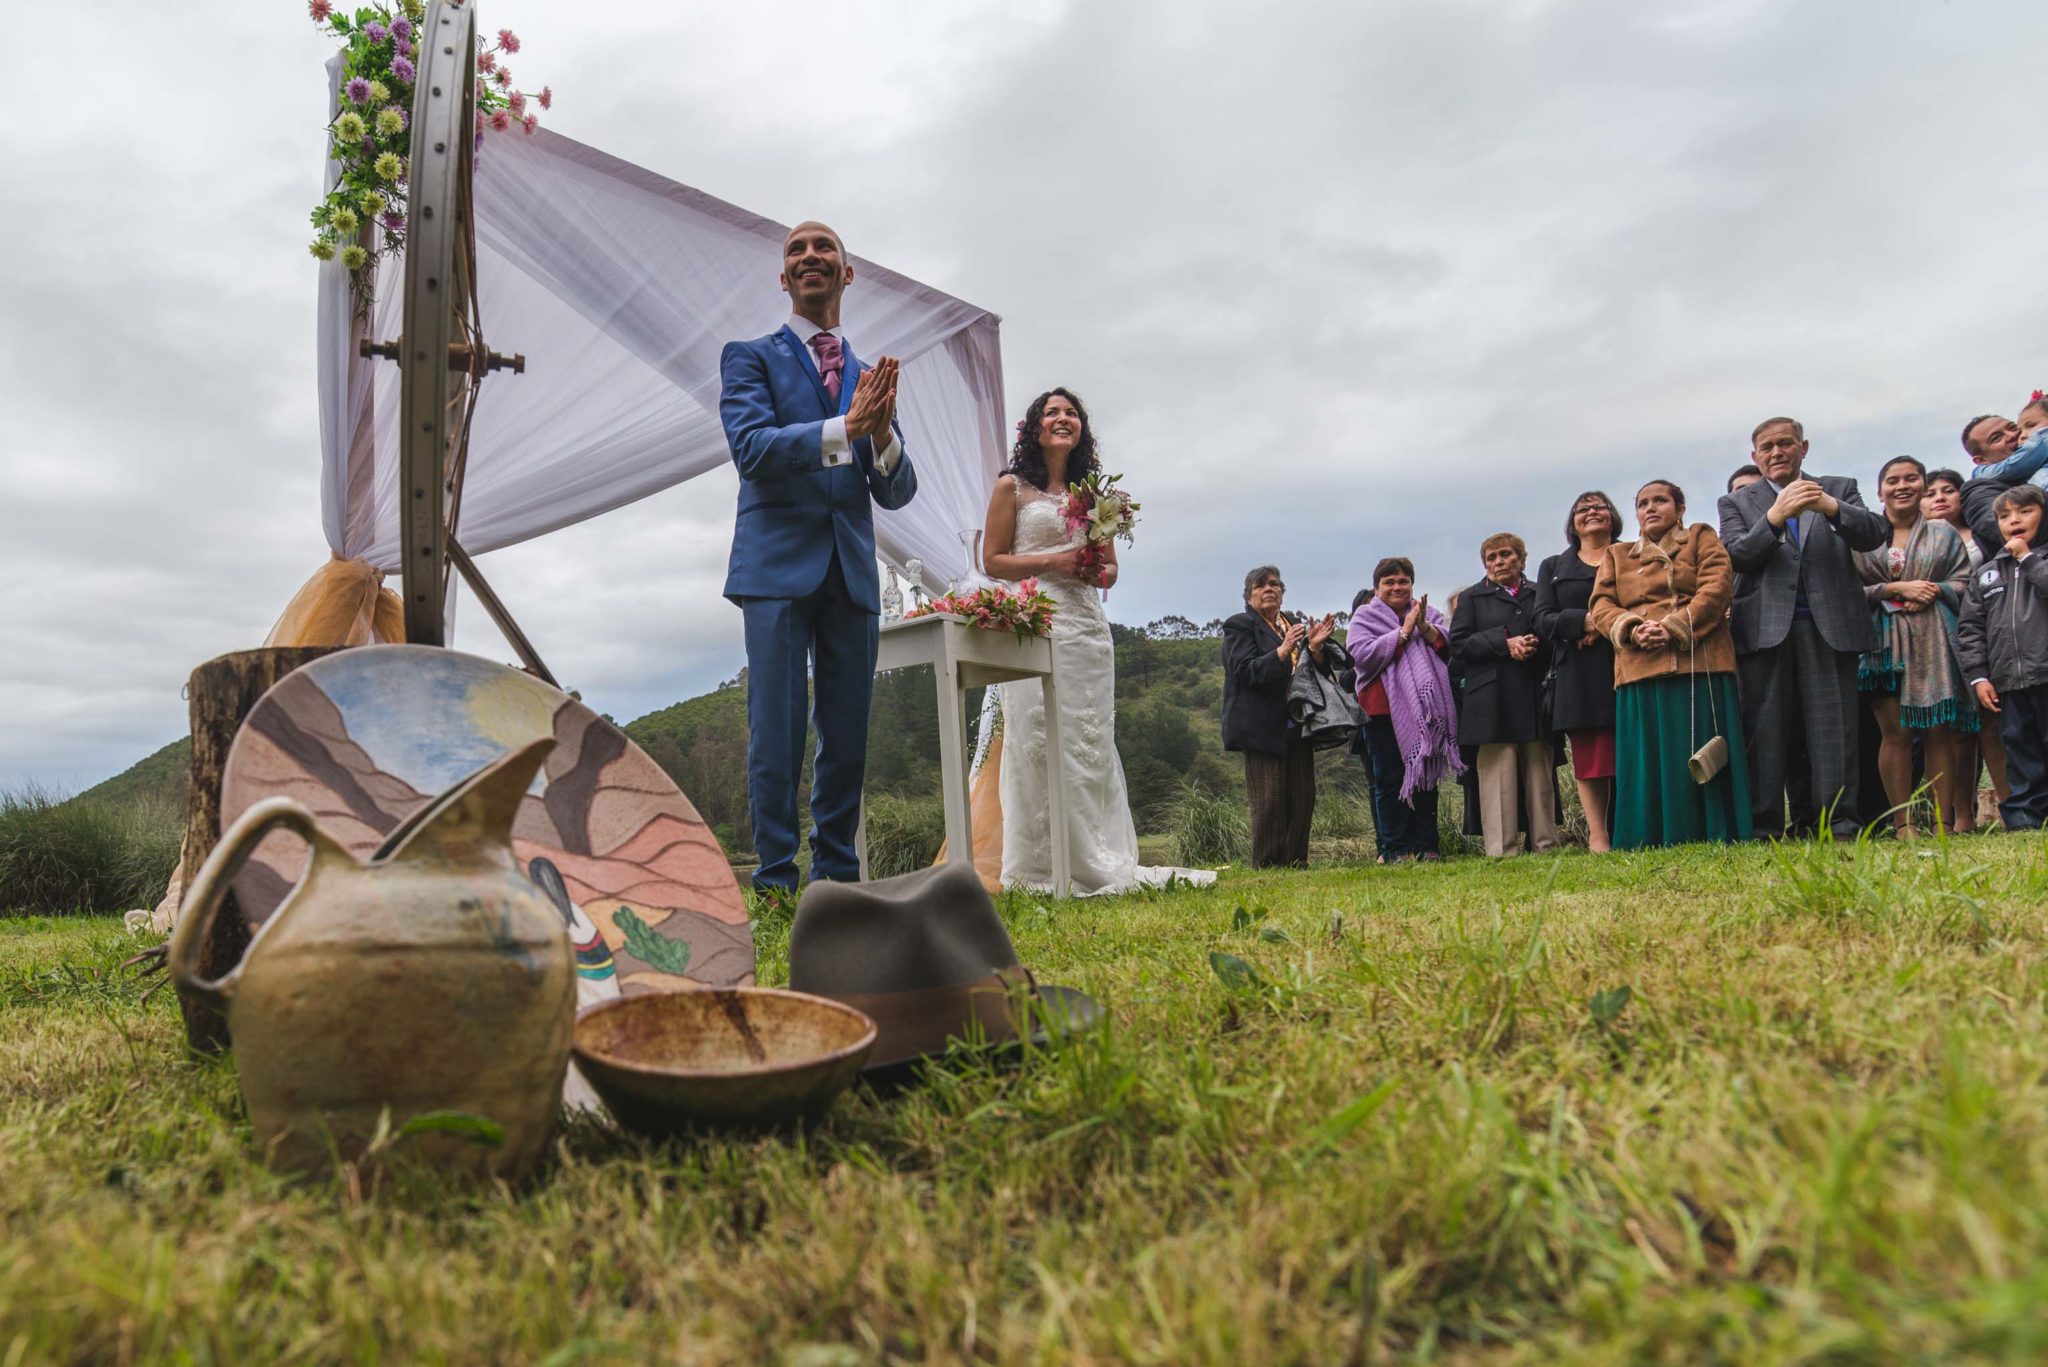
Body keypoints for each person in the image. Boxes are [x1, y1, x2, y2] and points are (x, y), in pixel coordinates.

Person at [720, 221, 918, 895]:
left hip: (851, 571)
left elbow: (897, 489)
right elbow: (752, 450)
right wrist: (846, 428)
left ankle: (838, 884)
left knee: (847, 736)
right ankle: (776, 883)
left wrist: (883, 434)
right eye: (796, 251)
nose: (810, 257)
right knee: (774, 733)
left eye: (823, 247)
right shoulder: (748, 357)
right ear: (784, 279)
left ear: (845, 272)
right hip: (774, 567)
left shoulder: (871, 377)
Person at [983, 389, 1209, 894]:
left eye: (1072, 414)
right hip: (1035, 621)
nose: (1063, 419)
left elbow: (1109, 570)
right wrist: (1054, 562)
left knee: (1087, 742)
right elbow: (992, 561)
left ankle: (1094, 857)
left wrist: (1092, 569)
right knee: (1037, 741)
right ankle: (1036, 866)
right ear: (1033, 427)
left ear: (1082, 428)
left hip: (1087, 629)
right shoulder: (1011, 488)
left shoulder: (1094, 495)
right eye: (1052, 412)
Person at [1718, 417, 1888, 839]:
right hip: (1764, 630)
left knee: (1836, 733)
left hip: (1829, 627)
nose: (1776, 453)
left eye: (1785, 444)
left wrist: (1829, 507)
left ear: (1803, 447)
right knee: (1766, 735)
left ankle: (1841, 824)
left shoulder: (1838, 486)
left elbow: (1873, 534)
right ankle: (1764, 827)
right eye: (1767, 447)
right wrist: (1775, 517)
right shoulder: (1738, 502)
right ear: (1755, 456)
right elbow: (1737, 556)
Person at [1588, 481, 1752, 847]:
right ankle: (1649, 834)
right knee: (1648, 758)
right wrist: (1631, 628)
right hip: (1638, 667)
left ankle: (1712, 829)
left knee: (1700, 747)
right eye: (1642, 503)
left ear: (1679, 508)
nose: (1650, 508)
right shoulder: (1617, 554)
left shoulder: (1700, 537)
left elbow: (1717, 587)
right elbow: (1600, 606)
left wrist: (1674, 627)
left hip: (1699, 661)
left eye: (1660, 500)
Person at [1853, 457, 1976, 837]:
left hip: (1934, 639)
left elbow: (1964, 581)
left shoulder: (1943, 533)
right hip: (1881, 645)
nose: (1902, 485)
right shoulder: (1862, 536)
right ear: (1880, 492)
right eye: (1892, 480)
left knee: (1938, 731)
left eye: (1911, 479)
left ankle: (1941, 823)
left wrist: (1935, 590)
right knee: (1896, 734)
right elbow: (1843, 592)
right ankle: (1902, 823)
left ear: (1922, 487)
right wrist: (1891, 589)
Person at [1450, 533, 1559, 857]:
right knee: (1497, 775)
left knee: (1540, 773)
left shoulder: (1539, 594)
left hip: (1533, 693)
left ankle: (1545, 844)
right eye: (1491, 557)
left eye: (1505, 555)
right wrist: (1504, 643)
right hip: (1491, 701)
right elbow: (1459, 644)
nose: (1498, 562)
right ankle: (1501, 849)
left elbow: (1552, 634)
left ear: (1521, 560)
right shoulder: (1472, 598)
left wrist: (1533, 644)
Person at [1222, 565, 1338, 868]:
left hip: (1297, 722)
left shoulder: (1293, 626)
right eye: (1260, 585)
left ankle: (1296, 860)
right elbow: (1243, 671)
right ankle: (1267, 863)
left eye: (1275, 584)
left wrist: (1315, 648)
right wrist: (1282, 651)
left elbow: (1316, 675)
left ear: (1283, 594)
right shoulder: (1240, 625)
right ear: (1249, 595)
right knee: (1269, 798)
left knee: (1302, 795)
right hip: (1260, 726)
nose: (1269, 589)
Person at [1347, 558, 1460, 862]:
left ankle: (1427, 846)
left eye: (1403, 581)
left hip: (1426, 713)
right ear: (1377, 588)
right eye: (1389, 582)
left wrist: (1423, 626)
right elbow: (1361, 655)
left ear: (1412, 585)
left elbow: (1449, 647)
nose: (1397, 587)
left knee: (1424, 778)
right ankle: (1394, 849)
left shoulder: (1429, 613)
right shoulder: (1363, 618)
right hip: (1381, 711)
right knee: (1389, 779)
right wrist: (1400, 634)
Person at [1534, 491, 1623, 851]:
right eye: (1582, 509)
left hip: (1626, 661)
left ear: (1613, 516)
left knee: (1631, 749)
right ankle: (1598, 834)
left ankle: (1631, 827)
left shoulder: (1632, 554)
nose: (1591, 513)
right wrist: (1583, 623)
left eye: (1598, 506)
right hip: (1579, 673)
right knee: (1592, 756)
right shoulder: (1553, 566)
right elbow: (1542, 620)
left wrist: (1603, 625)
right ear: (1573, 523)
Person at [1957, 485, 2048, 829]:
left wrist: (2027, 558)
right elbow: (1971, 629)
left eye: (2025, 511)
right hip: (2009, 680)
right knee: (2020, 751)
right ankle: (2025, 818)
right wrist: (1979, 676)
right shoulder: (1987, 572)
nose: (2014, 520)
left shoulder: (2038, 559)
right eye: (2005, 515)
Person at [1924, 467, 2007, 826]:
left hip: (1987, 630)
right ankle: (1961, 814)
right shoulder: (1917, 540)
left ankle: (2010, 806)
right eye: (1931, 492)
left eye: (1948, 490)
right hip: (1936, 635)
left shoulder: (1986, 536)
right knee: (1955, 727)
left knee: (1990, 721)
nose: (1939, 497)